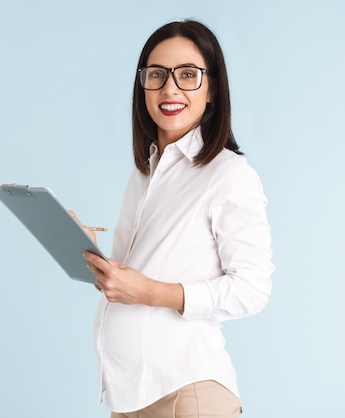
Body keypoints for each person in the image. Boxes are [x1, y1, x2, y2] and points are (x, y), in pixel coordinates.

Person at [80, 20, 274, 418]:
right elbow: (128, 283)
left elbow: (252, 289)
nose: (170, 89)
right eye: (157, 75)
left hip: (186, 396)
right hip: (129, 396)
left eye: (187, 75)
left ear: (212, 88)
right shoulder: (143, 174)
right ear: (143, 86)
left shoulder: (228, 175)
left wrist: (152, 292)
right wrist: (84, 251)